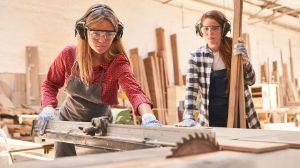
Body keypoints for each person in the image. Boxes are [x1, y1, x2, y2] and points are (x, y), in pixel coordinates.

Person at [38, 4, 161, 158]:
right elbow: (50, 83)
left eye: (108, 34)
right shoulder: (69, 55)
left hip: (100, 126)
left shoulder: (117, 63)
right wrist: (48, 108)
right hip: (67, 123)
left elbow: (135, 92)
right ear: (84, 32)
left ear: (116, 35)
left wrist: (148, 117)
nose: (102, 40)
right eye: (95, 33)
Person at [177, 10, 260, 128]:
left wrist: (245, 60)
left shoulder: (234, 51)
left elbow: (251, 81)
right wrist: (188, 116)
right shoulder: (196, 57)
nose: (210, 33)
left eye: (214, 28)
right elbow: (191, 90)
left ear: (223, 29)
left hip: (240, 116)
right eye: (206, 28)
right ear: (201, 30)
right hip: (211, 119)